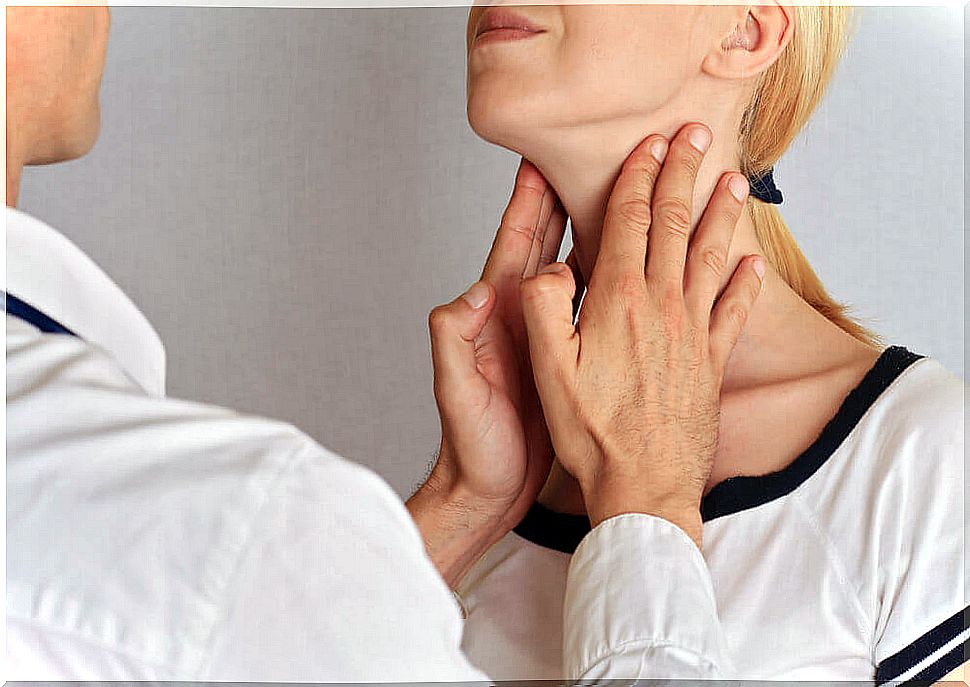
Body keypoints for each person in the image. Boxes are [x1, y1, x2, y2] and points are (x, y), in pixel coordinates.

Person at [6, 6, 763, 681]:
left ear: (747, 29)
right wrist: (649, 502)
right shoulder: (240, 526)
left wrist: (465, 503)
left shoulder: (881, 468)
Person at [441, 2, 967, 683]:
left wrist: (641, 500)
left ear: (745, 29)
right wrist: (461, 504)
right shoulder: (487, 479)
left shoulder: (930, 464)